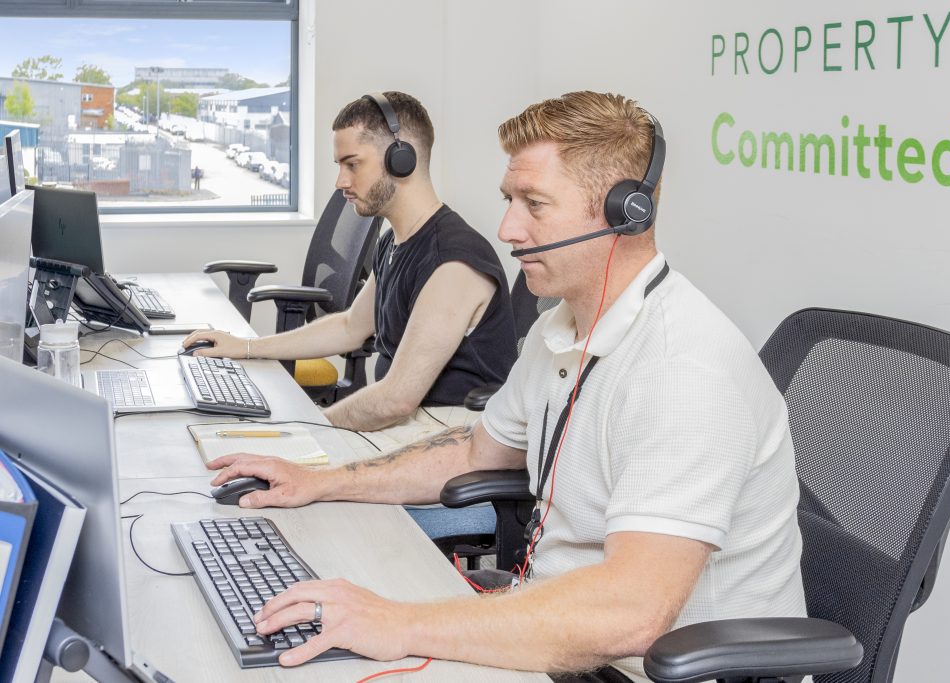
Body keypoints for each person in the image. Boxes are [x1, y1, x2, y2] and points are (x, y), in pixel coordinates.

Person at [206, 91, 806, 682]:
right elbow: (475, 453)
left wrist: (401, 624)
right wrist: (321, 481)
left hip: (637, 666)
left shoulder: (684, 370)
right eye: (508, 200)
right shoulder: (558, 329)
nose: (508, 228)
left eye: (534, 205)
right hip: (566, 642)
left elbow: (631, 614)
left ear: (626, 213)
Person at [184, 92, 518, 433]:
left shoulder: (452, 262)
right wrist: (247, 347)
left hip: (447, 433)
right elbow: (350, 327)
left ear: (402, 159)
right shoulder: (395, 242)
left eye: (352, 164)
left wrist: (306, 429)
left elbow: (395, 400)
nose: (341, 182)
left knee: (252, 444)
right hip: (410, 427)